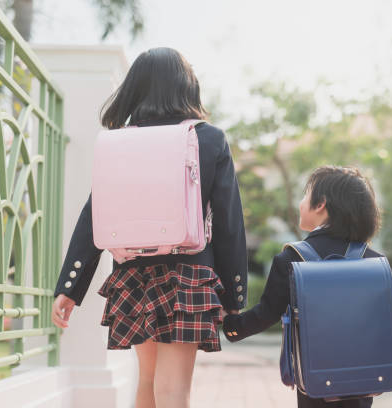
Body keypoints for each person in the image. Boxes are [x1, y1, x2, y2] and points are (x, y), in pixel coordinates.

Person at [51, 47, 248, 408]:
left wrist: (70, 286)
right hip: (189, 274)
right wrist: (235, 298)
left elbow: (94, 214)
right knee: (173, 390)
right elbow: (229, 225)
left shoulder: (118, 141)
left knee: (147, 381)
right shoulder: (209, 139)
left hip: (132, 275)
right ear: (187, 87)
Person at [222, 165, 383, 408]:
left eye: (305, 195)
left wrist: (230, 324)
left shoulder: (292, 258)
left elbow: (266, 315)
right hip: (363, 377)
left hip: (316, 379)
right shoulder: (374, 261)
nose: (300, 203)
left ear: (321, 204)